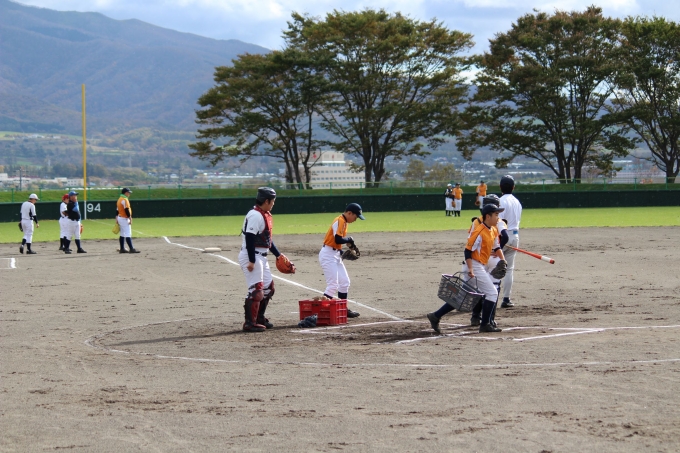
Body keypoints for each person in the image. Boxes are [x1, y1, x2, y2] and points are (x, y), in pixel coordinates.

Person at [427, 203, 507, 334]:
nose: (498, 218)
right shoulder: (479, 232)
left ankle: (435, 316)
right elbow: (467, 251)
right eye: (496, 215)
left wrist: (503, 260)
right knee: (492, 293)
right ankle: (485, 324)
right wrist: (471, 269)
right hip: (473, 265)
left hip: (478, 265)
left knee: (463, 296)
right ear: (488, 216)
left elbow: (496, 247)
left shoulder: (493, 230)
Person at [239, 187, 287, 332]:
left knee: (268, 288)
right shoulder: (255, 215)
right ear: (266, 201)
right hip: (252, 255)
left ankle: (259, 317)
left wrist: (278, 255)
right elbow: (250, 238)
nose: (273, 204)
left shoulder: (264, 214)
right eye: (273, 201)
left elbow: (267, 240)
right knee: (256, 291)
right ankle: (249, 323)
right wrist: (252, 261)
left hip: (261, 256)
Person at [467, 194, 508, 327]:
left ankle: (475, 316)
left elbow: (470, 241)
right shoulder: (498, 221)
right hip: (491, 258)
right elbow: (505, 237)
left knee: (480, 288)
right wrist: (498, 250)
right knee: (493, 288)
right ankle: (490, 320)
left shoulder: (476, 221)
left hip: (479, 256)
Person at [319, 203, 365, 318]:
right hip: (328, 255)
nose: (355, 219)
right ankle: (320, 312)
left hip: (334, 254)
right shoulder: (339, 220)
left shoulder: (344, 222)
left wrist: (342, 251)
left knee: (345, 282)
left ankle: (343, 309)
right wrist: (349, 239)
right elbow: (338, 239)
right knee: (333, 285)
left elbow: (337, 243)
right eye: (355, 217)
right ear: (349, 213)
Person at [498, 175, 523, 308]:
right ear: (513, 187)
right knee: (509, 269)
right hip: (515, 236)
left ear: (500, 187)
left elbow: (499, 223)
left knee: (492, 267)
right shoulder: (517, 202)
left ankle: (487, 298)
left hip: (502, 237)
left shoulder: (500, 201)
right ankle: (506, 298)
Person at [116, 188, 140, 253]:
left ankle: (122, 249)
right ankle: (131, 249)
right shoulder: (124, 199)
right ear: (125, 193)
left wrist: (116, 218)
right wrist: (130, 217)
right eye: (128, 192)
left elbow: (117, 210)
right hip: (124, 218)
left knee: (122, 234)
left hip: (120, 217)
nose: (129, 194)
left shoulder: (119, 199)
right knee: (128, 233)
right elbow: (126, 209)